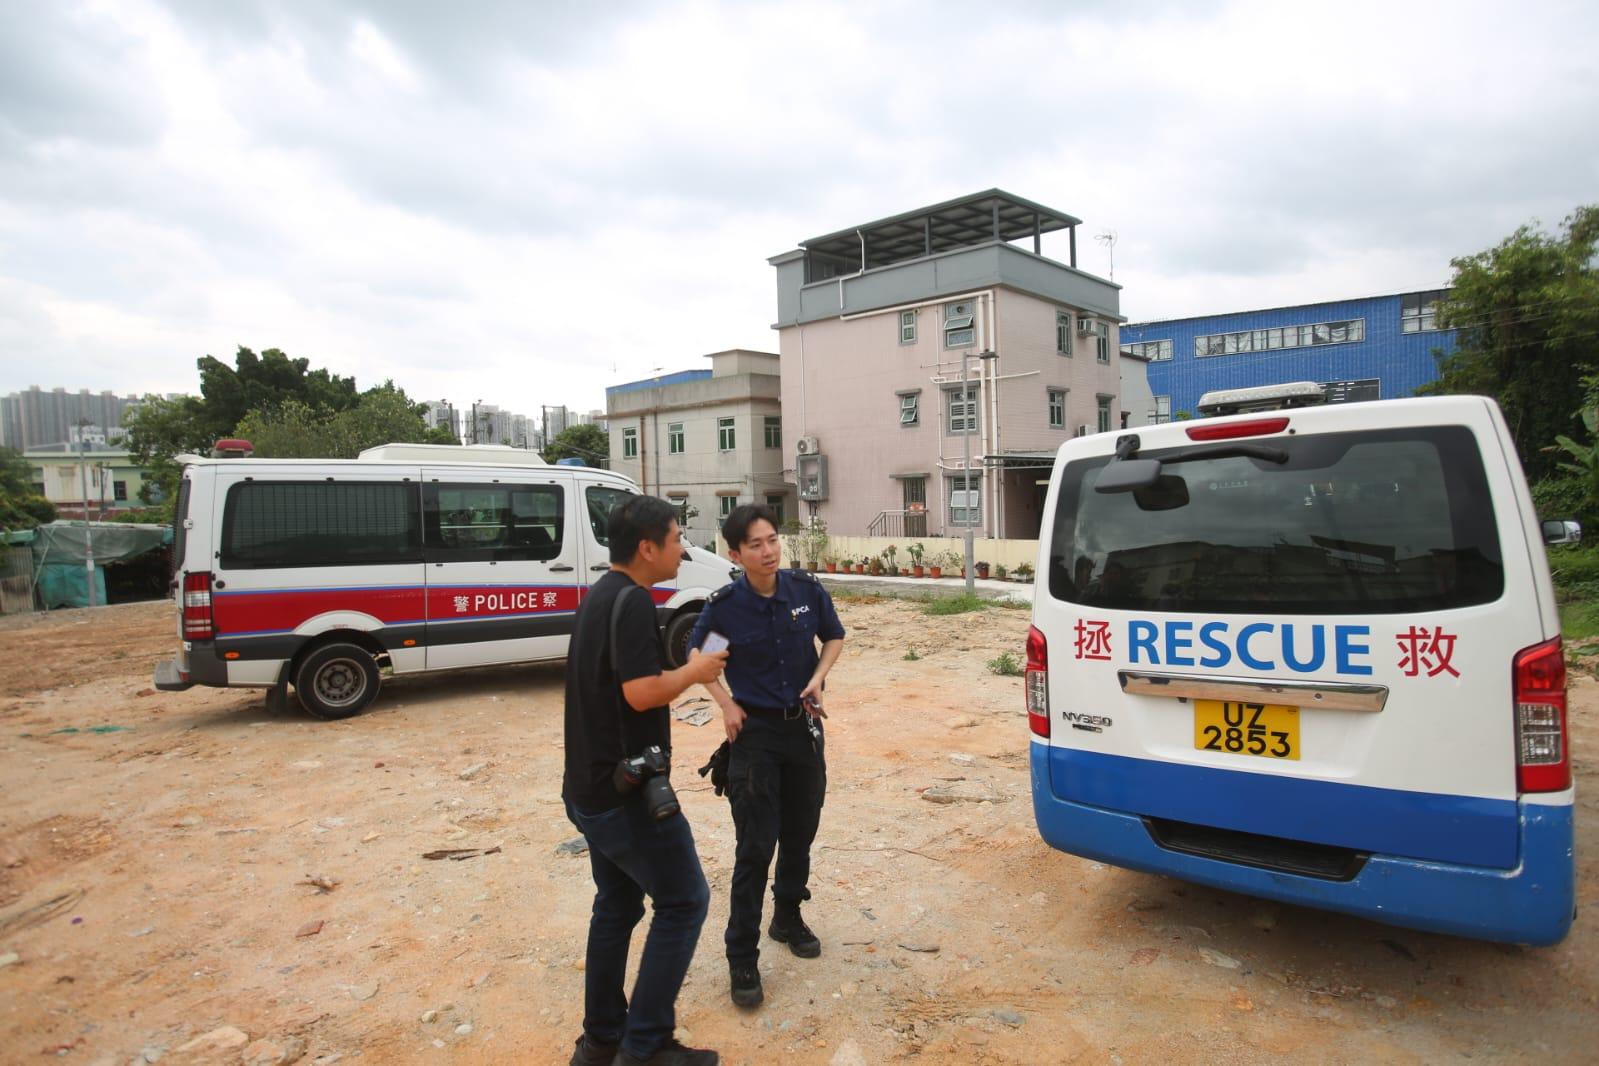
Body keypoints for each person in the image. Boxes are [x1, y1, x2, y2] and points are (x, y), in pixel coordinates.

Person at [562, 495, 730, 1066]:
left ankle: (601, 1040)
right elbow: (639, 692)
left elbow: (619, 687)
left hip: (588, 788)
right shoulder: (632, 601)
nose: (683, 549)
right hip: (625, 795)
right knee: (684, 901)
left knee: (616, 904)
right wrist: (695, 671)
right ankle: (647, 1047)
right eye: (678, 537)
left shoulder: (599, 596)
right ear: (647, 547)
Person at [689, 505, 846, 1009]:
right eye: (755, 544)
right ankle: (742, 955)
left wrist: (819, 677)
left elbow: (834, 637)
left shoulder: (804, 590)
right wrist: (727, 704)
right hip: (754, 736)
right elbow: (701, 661)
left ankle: (788, 916)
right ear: (735, 554)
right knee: (755, 847)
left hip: (801, 731)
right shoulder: (725, 607)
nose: (768, 550)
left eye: (773, 539)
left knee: (800, 832)